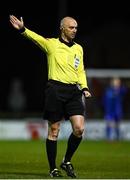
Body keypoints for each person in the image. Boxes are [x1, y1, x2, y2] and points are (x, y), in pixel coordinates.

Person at [9, 15, 91, 178]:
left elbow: (80, 70)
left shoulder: (78, 48)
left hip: (74, 91)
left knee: (79, 129)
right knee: (54, 130)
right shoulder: (52, 44)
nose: (74, 30)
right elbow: (36, 38)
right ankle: (53, 168)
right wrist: (23, 30)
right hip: (55, 90)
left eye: (76, 28)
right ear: (62, 28)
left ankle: (66, 160)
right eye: (71, 27)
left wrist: (84, 87)